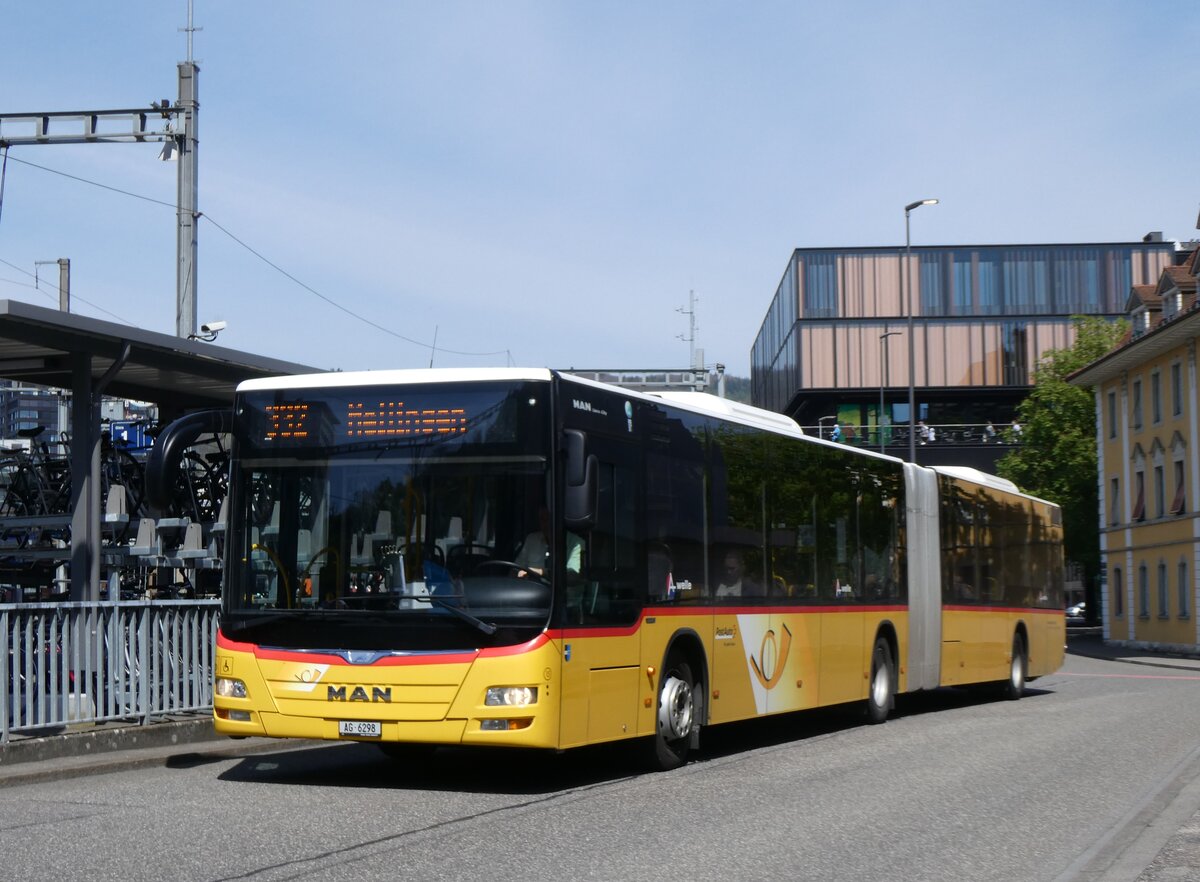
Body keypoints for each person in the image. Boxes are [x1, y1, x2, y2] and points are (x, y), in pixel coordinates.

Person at [515, 507, 582, 577]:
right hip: (530, 587)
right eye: (542, 519)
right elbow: (516, 568)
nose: (546, 524)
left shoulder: (576, 543)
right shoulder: (531, 539)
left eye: (550, 519)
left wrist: (542, 572)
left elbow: (574, 575)